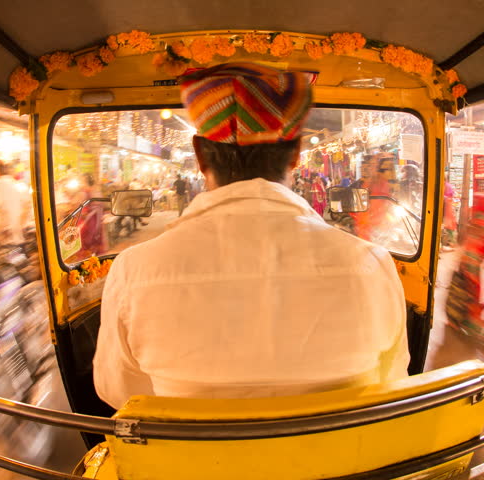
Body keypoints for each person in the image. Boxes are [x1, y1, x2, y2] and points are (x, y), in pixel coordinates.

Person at [94, 63, 409, 409]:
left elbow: (120, 394)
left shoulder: (133, 271)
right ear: (296, 155)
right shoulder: (372, 266)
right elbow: (391, 381)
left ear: (199, 155)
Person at [445, 171, 484, 340]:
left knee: (473, 286)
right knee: (472, 286)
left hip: (480, 253)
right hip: (472, 250)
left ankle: (464, 320)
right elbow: (475, 225)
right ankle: (468, 321)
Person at [0, 162, 24, 245]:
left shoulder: (0, 184)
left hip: (8, 236)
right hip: (17, 232)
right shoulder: (13, 183)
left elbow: (1, 207)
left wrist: (1, 228)